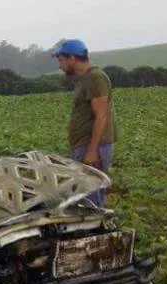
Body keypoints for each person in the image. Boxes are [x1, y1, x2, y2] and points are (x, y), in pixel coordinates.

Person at [54, 39, 118, 208]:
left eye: (61, 60)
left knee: (91, 197)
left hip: (92, 147)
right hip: (83, 145)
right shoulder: (85, 79)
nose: (60, 66)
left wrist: (91, 151)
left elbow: (101, 116)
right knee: (84, 196)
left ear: (72, 58)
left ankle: (97, 230)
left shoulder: (96, 78)